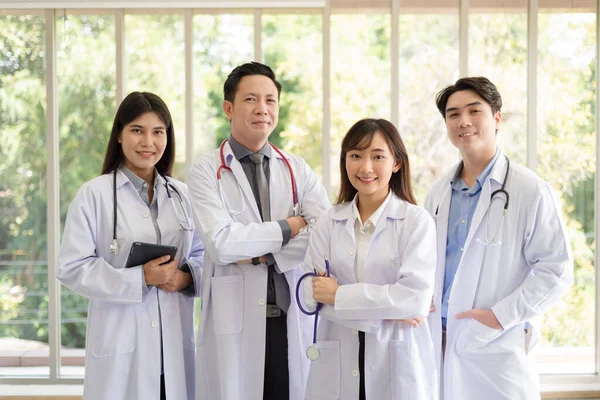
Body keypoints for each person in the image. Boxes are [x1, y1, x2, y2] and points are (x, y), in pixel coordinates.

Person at [187, 62, 330, 400]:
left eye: (270, 100)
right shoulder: (206, 172)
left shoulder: (297, 169)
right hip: (234, 318)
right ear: (229, 108)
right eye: (251, 99)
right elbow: (221, 244)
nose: (262, 109)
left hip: (290, 315)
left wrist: (260, 251)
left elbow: (323, 238)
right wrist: (290, 227)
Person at [425, 77, 573, 399]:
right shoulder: (438, 194)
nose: (463, 121)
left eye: (473, 110)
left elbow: (557, 270)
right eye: (453, 114)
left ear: (496, 117)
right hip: (441, 339)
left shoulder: (529, 189)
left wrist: (501, 316)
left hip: (496, 345)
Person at [57, 92, 204, 400]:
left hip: (174, 348)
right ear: (120, 135)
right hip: (122, 349)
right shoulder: (93, 195)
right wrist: (140, 279)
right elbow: (72, 267)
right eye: (137, 130)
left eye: (157, 132)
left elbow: (204, 254)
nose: (148, 142)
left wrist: (186, 277)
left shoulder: (182, 195)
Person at [299, 118, 437, 400]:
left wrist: (338, 295)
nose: (366, 167)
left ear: (396, 162)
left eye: (378, 156)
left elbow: (415, 300)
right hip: (336, 360)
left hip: (396, 362)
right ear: (345, 160)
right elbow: (308, 295)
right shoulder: (329, 220)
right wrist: (388, 310)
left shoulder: (415, 221)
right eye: (356, 156)